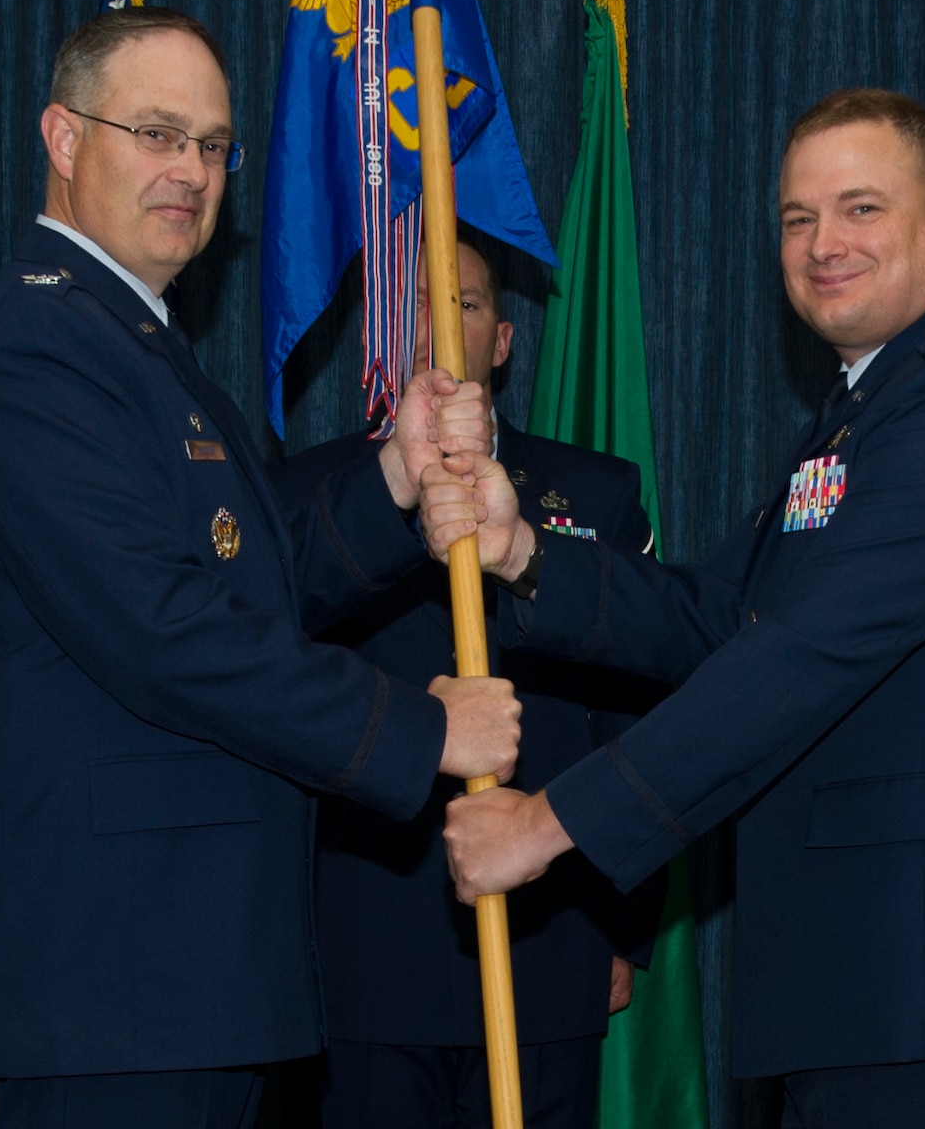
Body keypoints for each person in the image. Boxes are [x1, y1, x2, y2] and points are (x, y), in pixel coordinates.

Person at [425, 89, 925, 1128]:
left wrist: (546, 823)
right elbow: (723, 618)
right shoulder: (864, 413)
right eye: (797, 219)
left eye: (859, 209)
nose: (821, 245)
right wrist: (520, 550)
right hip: (865, 991)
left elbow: (800, 658)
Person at [0, 7, 520, 1129]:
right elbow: (163, 632)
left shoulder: (141, 348)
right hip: (107, 979)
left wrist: (391, 479)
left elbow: (250, 578)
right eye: (154, 133)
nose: (188, 172)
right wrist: (421, 731)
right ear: (62, 138)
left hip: (185, 976)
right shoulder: (38, 348)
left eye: (210, 145)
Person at [275, 236, 664, 1129]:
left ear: (503, 340)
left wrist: (623, 924)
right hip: (364, 944)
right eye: (411, 303)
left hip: (548, 937)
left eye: (464, 303)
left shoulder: (595, 494)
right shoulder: (310, 496)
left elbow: (636, 710)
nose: (436, 329)